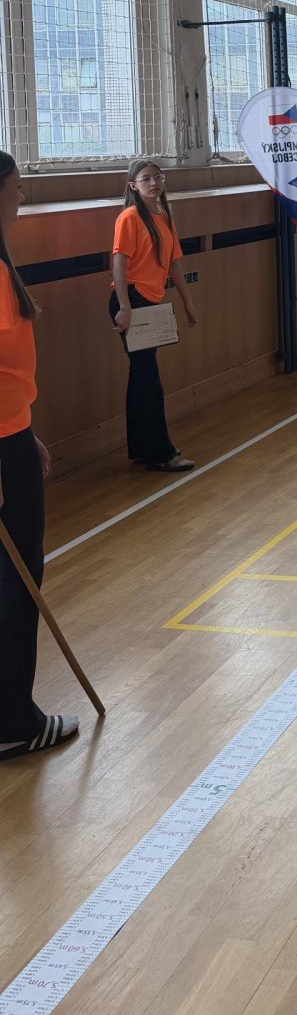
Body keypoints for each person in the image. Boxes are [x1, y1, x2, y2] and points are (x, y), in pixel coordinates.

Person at [0, 153, 78, 763]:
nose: (22, 197)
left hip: (10, 437)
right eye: (17, 188)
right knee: (15, 580)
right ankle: (14, 722)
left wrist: (23, 432)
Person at [110, 160, 198, 471]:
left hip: (151, 301)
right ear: (133, 186)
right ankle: (161, 453)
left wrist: (187, 303)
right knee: (149, 380)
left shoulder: (164, 216)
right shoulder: (129, 218)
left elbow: (174, 263)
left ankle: (143, 450)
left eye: (157, 177)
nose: (153, 183)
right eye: (145, 179)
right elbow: (118, 263)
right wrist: (125, 306)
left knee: (142, 378)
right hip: (132, 300)